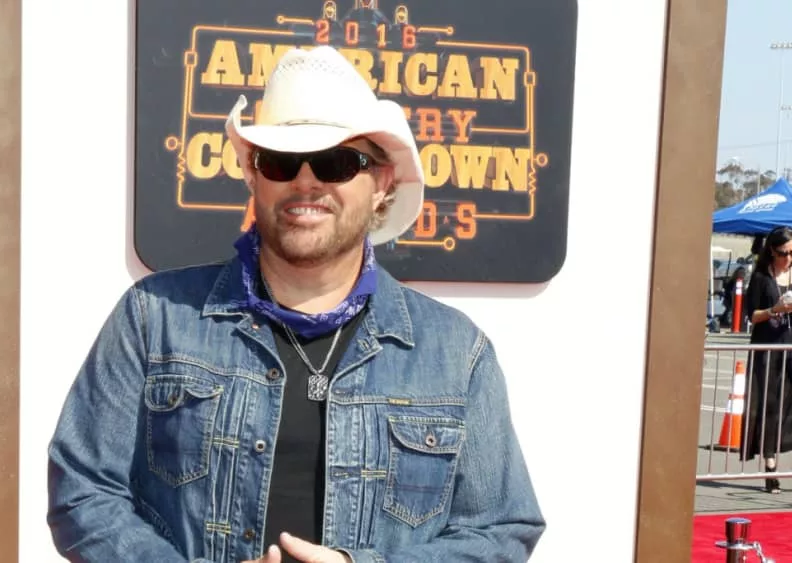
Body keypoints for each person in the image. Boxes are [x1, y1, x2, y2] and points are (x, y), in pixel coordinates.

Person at [47, 46, 544, 562]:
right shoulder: (153, 318)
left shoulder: (456, 353)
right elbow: (82, 491)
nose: (306, 182)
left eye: (336, 162)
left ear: (382, 183)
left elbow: (501, 528)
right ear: (252, 175)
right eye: (282, 161)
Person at [741, 226, 792, 493]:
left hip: (790, 348)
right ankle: (770, 465)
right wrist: (775, 309)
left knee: (787, 408)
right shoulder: (761, 278)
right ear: (772, 251)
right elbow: (753, 315)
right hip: (769, 350)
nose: (788, 258)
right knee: (771, 407)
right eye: (784, 253)